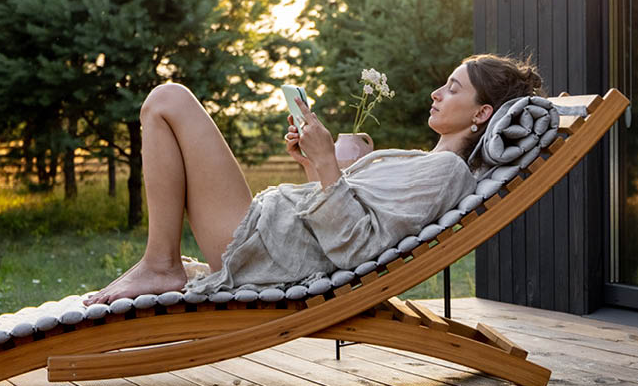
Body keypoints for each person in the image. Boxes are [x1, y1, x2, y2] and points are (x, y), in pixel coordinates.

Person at [83, 54, 545, 305]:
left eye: (454, 88)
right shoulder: (428, 161)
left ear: (483, 114)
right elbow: (347, 212)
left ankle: (160, 264)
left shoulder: (445, 172)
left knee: (168, 100)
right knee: (168, 102)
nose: (436, 92)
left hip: (265, 248)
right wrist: (311, 162)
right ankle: (159, 263)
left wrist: (327, 161)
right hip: (268, 232)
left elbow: (355, 248)